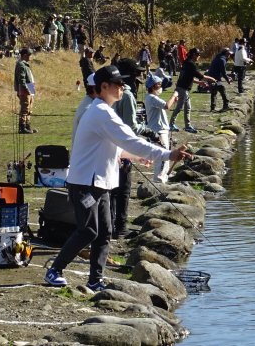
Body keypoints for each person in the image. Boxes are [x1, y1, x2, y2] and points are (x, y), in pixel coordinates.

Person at [43, 65, 191, 291]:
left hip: (100, 183)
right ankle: (55, 270)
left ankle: (95, 280)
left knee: (105, 232)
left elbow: (117, 147)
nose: (123, 87)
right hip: (85, 184)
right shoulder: (100, 112)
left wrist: (135, 157)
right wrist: (168, 154)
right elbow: (131, 140)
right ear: (104, 87)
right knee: (88, 230)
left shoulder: (105, 111)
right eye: (118, 83)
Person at [112, 57, 156, 239]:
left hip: (112, 147)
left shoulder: (113, 93)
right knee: (123, 189)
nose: (140, 79)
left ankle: (112, 225)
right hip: (124, 148)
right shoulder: (127, 95)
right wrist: (149, 131)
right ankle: (120, 228)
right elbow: (131, 126)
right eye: (137, 74)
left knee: (112, 190)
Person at [169, 47, 217, 133]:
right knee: (179, 107)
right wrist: (212, 79)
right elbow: (202, 76)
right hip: (182, 89)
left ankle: (187, 126)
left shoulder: (186, 63)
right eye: (198, 55)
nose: (199, 56)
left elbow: (190, 77)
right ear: (194, 55)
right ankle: (171, 124)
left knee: (188, 108)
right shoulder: (191, 64)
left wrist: (200, 83)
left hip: (183, 88)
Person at [144, 74, 179, 183]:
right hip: (158, 130)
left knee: (162, 155)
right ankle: (159, 179)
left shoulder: (152, 98)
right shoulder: (151, 98)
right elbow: (167, 106)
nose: (160, 87)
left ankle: (162, 177)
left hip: (159, 129)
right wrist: (174, 95)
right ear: (152, 86)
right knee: (162, 156)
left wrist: (174, 100)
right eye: (158, 85)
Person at [14, 47, 37, 134]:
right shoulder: (21, 65)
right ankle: (22, 127)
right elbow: (22, 80)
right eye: (29, 55)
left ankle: (28, 126)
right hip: (25, 89)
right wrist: (27, 90)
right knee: (25, 108)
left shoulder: (25, 64)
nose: (31, 57)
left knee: (29, 108)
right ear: (25, 55)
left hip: (30, 87)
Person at [207, 48, 233, 112]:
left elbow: (221, 72)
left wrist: (227, 77)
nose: (230, 56)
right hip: (215, 78)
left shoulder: (217, 57)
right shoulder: (222, 60)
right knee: (222, 90)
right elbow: (223, 72)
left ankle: (212, 108)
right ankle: (225, 106)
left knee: (213, 92)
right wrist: (228, 80)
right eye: (229, 54)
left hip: (210, 77)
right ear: (226, 54)